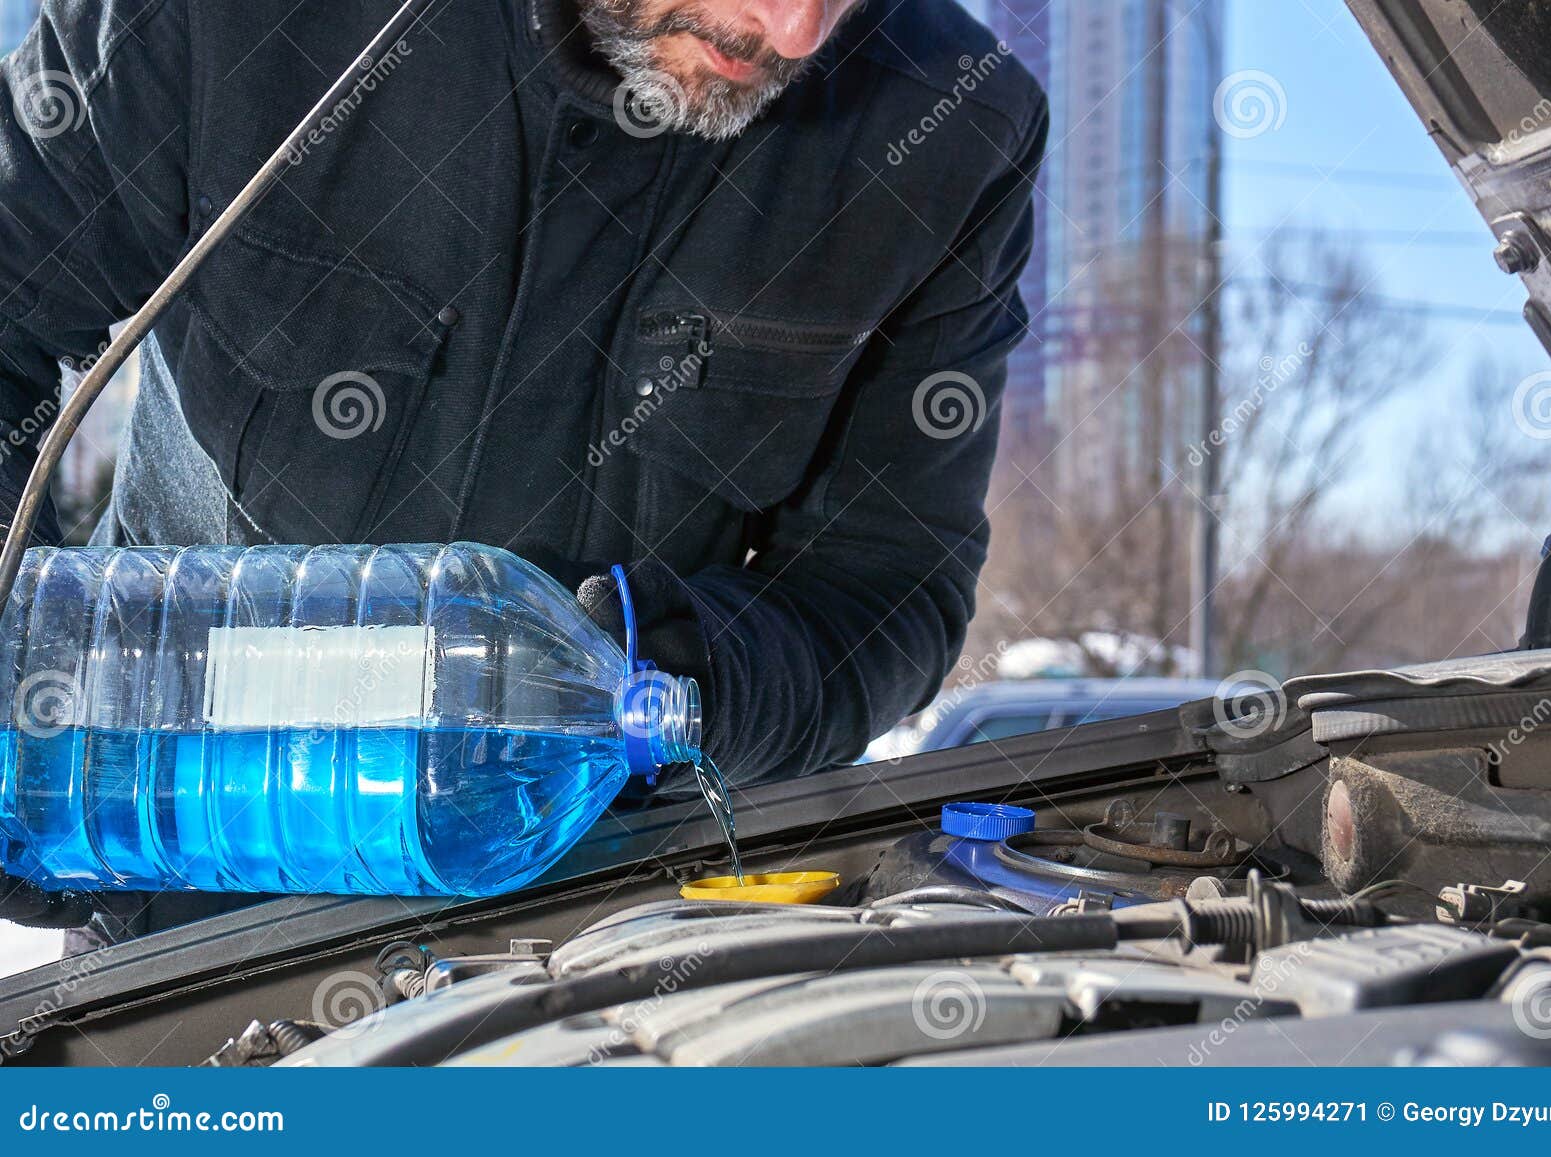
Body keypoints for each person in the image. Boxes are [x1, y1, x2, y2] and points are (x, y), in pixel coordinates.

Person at [0, 0, 1044, 940]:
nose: (797, 30)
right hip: (192, 877)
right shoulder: (230, 25)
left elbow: (888, 584)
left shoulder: (948, 126)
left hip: (604, 927)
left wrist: (696, 674)